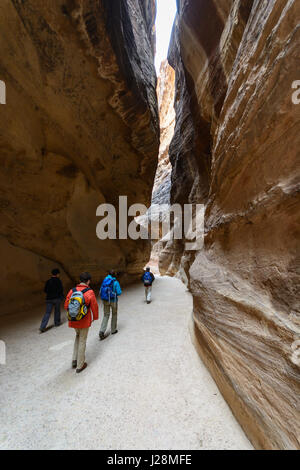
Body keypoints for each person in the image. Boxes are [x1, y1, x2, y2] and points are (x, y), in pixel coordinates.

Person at [64, 272, 99, 373]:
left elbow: (66, 306)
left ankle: (74, 360)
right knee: (82, 340)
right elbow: (94, 306)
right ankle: (80, 365)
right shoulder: (89, 292)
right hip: (84, 320)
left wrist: (74, 312)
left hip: (74, 320)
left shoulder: (72, 291)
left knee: (78, 337)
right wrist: (95, 317)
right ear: (88, 281)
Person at [99, 270, 122, 340]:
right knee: (114, 314)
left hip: (105, 300)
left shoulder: (105, 281)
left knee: (106, 315)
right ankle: (113, 330)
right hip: (113, 300)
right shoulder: (115, 282)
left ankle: (102, 331)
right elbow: (119, 292)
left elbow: (101, 290)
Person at [40, 268, 64, 333]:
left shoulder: (48, 281)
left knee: (47, 313)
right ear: (57, 274)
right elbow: (61, 290)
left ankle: (42, 326)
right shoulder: (58, 281)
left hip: (49, 299)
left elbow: (45, 290)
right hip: (57, 299)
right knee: (57, 311)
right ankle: (57, 323)